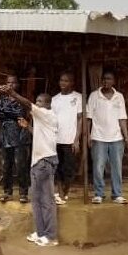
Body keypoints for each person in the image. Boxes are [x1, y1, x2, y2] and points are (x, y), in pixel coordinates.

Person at [2, 86, 59, 247]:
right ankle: (41, 232)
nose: (37, 104)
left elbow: (27, 104)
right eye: (37, 101)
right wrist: (27, 127)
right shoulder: (42, 118)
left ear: (48, 104)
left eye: (40, 102)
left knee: (47, 200)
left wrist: (12, 93)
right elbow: (40, 134)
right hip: (37, 163)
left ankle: (51, 236)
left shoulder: (47, 114)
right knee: (36, 200)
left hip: (45, 162)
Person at [87, 70, 128, 205]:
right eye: (104, 79)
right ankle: (99, 194)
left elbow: (122, 118)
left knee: (116, 167)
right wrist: (88, 135)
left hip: (116, 137)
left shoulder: (119, 97)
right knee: (98, 166)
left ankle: (117, 194)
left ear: (114, 81)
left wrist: (126, 136)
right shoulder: (94, 96)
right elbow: (88, 118)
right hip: (98, 136)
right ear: (101, 80)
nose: (106, 81)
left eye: (109, 79)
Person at [0, 75, 31, 204]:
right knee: (6, 165)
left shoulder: (22, 100)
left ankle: (23, 193)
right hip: (5, 135)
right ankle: (7, 192)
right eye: (8, 83)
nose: (10, 85)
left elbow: (19, 112)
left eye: (13, 83)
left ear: (17, 85)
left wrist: (9, 111)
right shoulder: (0, 100)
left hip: (19, 135)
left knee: (21, 165)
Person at [51, 72, 82, 205]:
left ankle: (66, 190)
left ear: (72, 83)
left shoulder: (78, 97)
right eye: (61, 80)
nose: (62, 83)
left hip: (70, 140)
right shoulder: (54, 99)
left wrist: (76, 139)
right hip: (56, 139)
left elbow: (80, 119)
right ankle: (59, 192)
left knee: (69, 168)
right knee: (56, 167)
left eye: (66, 81)